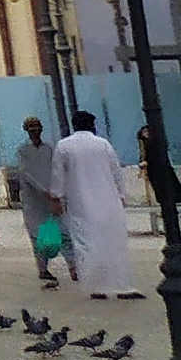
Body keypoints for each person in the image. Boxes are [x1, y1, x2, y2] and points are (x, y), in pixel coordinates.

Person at [56, 108, 139, 299]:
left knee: (86, 245)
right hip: (109, 203)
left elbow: (57, 175)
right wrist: (122, 195)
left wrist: (56, 196)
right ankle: (121, 285)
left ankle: (95, 287)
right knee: (114, 244)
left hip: (80, 204)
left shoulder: (63, 146)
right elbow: (116, 172)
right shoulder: (103, 144)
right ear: (92, 126)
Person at [9, 115, 68, 289]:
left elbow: (56, 170)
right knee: (36, 235)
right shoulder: (22, 151)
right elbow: (26, 174)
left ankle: (71, 265)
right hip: (33, 200)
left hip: (51, 198)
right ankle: (42, 268)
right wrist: (44, 191)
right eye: (31, 127)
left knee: (59, 232)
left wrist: (56, 192)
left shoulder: (49, 149)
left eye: (37, 127)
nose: (35, 130)